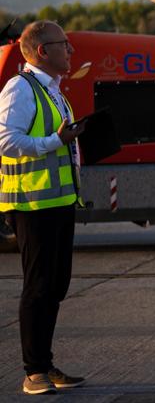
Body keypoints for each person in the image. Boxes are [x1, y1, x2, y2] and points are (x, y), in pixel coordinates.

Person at [0, 21, 86, 396]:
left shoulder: (54, 91)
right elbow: (6, 140)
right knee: (38, 286)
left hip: (58, 201)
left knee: (55, 285)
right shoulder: (20, 88)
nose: (70, 50)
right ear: (40, 52)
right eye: (62, 44)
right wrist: (56, 140)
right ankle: (33, 372)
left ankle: (46, 365)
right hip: (31, 203)